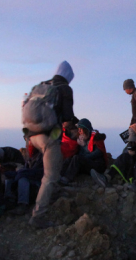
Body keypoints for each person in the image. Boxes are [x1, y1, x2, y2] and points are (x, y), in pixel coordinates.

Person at [22, 61, 75, 229]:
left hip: (31, 136)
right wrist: (76, 126)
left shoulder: (42, 85)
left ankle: (54, 192)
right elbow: (68, 116)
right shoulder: (65, 88)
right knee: (49, 176)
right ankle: (38, 216)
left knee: (52, 167)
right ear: (68, 76)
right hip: (48, 138)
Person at [91, 123, 136, 189]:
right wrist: (129, 153)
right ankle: (107, 177)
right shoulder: (133, 141)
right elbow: (126, 149)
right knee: (124, 156)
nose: (135, 140)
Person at [60, 118, 108, 184]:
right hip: (88, 164)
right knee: (69, 160)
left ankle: (67, 178)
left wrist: (84, 156)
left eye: (80, 129)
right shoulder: (81, 139)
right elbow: (80, 154)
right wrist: (82, 146)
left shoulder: (96, 137)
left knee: (77, 158)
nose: (79, 131)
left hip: (98, 165)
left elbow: (98, 153)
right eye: (78, 129)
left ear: (86, 129)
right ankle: (59, 174)